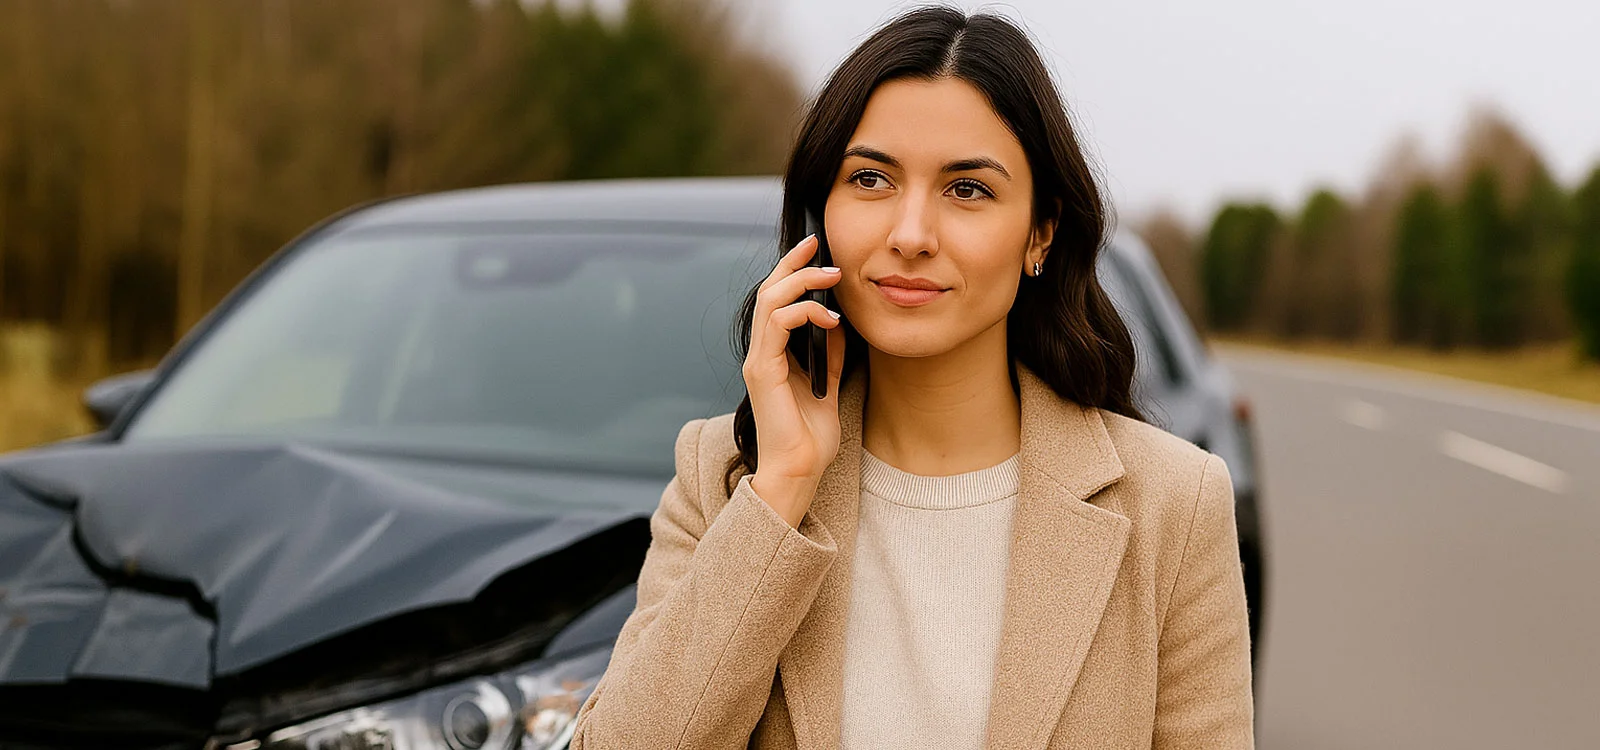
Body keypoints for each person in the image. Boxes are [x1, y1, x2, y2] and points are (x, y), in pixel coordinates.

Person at [571, 6, 1253, 748]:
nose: (910, 235)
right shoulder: (724, 479)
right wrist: (783, 491)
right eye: (870, 179)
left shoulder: (1174, 506)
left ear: (1041, 233)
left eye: (967, 189)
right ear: (819, 212)